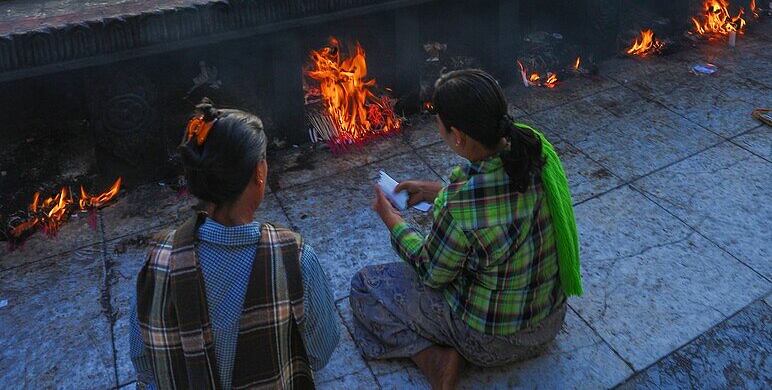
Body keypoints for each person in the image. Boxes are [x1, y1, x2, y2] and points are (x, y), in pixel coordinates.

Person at [349, 69, 580, 389]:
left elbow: (432, 272)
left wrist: (392, 220)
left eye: (440, 124)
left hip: (490, 342)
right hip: (549, 323)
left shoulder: (461, 204)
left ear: (457, 135)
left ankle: (433, 358)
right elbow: (501, 205)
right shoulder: (532, 150)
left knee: (365, 285)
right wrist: (436, 191)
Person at [130, 100, 339, 389]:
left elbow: (142, 360)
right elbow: (320, 352)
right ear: (259, 172)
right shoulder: (296, 258)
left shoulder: (157, 259)